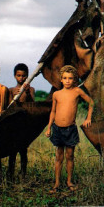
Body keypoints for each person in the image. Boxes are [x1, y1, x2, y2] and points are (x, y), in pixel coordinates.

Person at [45, 65, 94, 193]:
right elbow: (53, 111)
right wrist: (49, 127)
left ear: (74, 79)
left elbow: (91, 102)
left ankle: (69, 182)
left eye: (70, 78)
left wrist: (88, 118)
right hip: (57, 128)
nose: (67, 81)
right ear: (61, 79)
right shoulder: (56, 94)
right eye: (65, 78)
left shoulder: (77, 91)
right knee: (58, 156)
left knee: (70, 155)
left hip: (70, 129)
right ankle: (56, 184)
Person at [8, 63, 35, 179]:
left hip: (25, 122)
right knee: (12, 150)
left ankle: (23, 174)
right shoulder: (11, 90)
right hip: (14, 122)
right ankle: (10, 174)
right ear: (15, 76)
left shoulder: (31, 89)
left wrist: (27, 92)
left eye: (24, 76)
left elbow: (32, 104)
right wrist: (15, 97)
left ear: (27, 76)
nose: (21, 78)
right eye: (19, 75)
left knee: (23, 150)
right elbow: (9, 107)